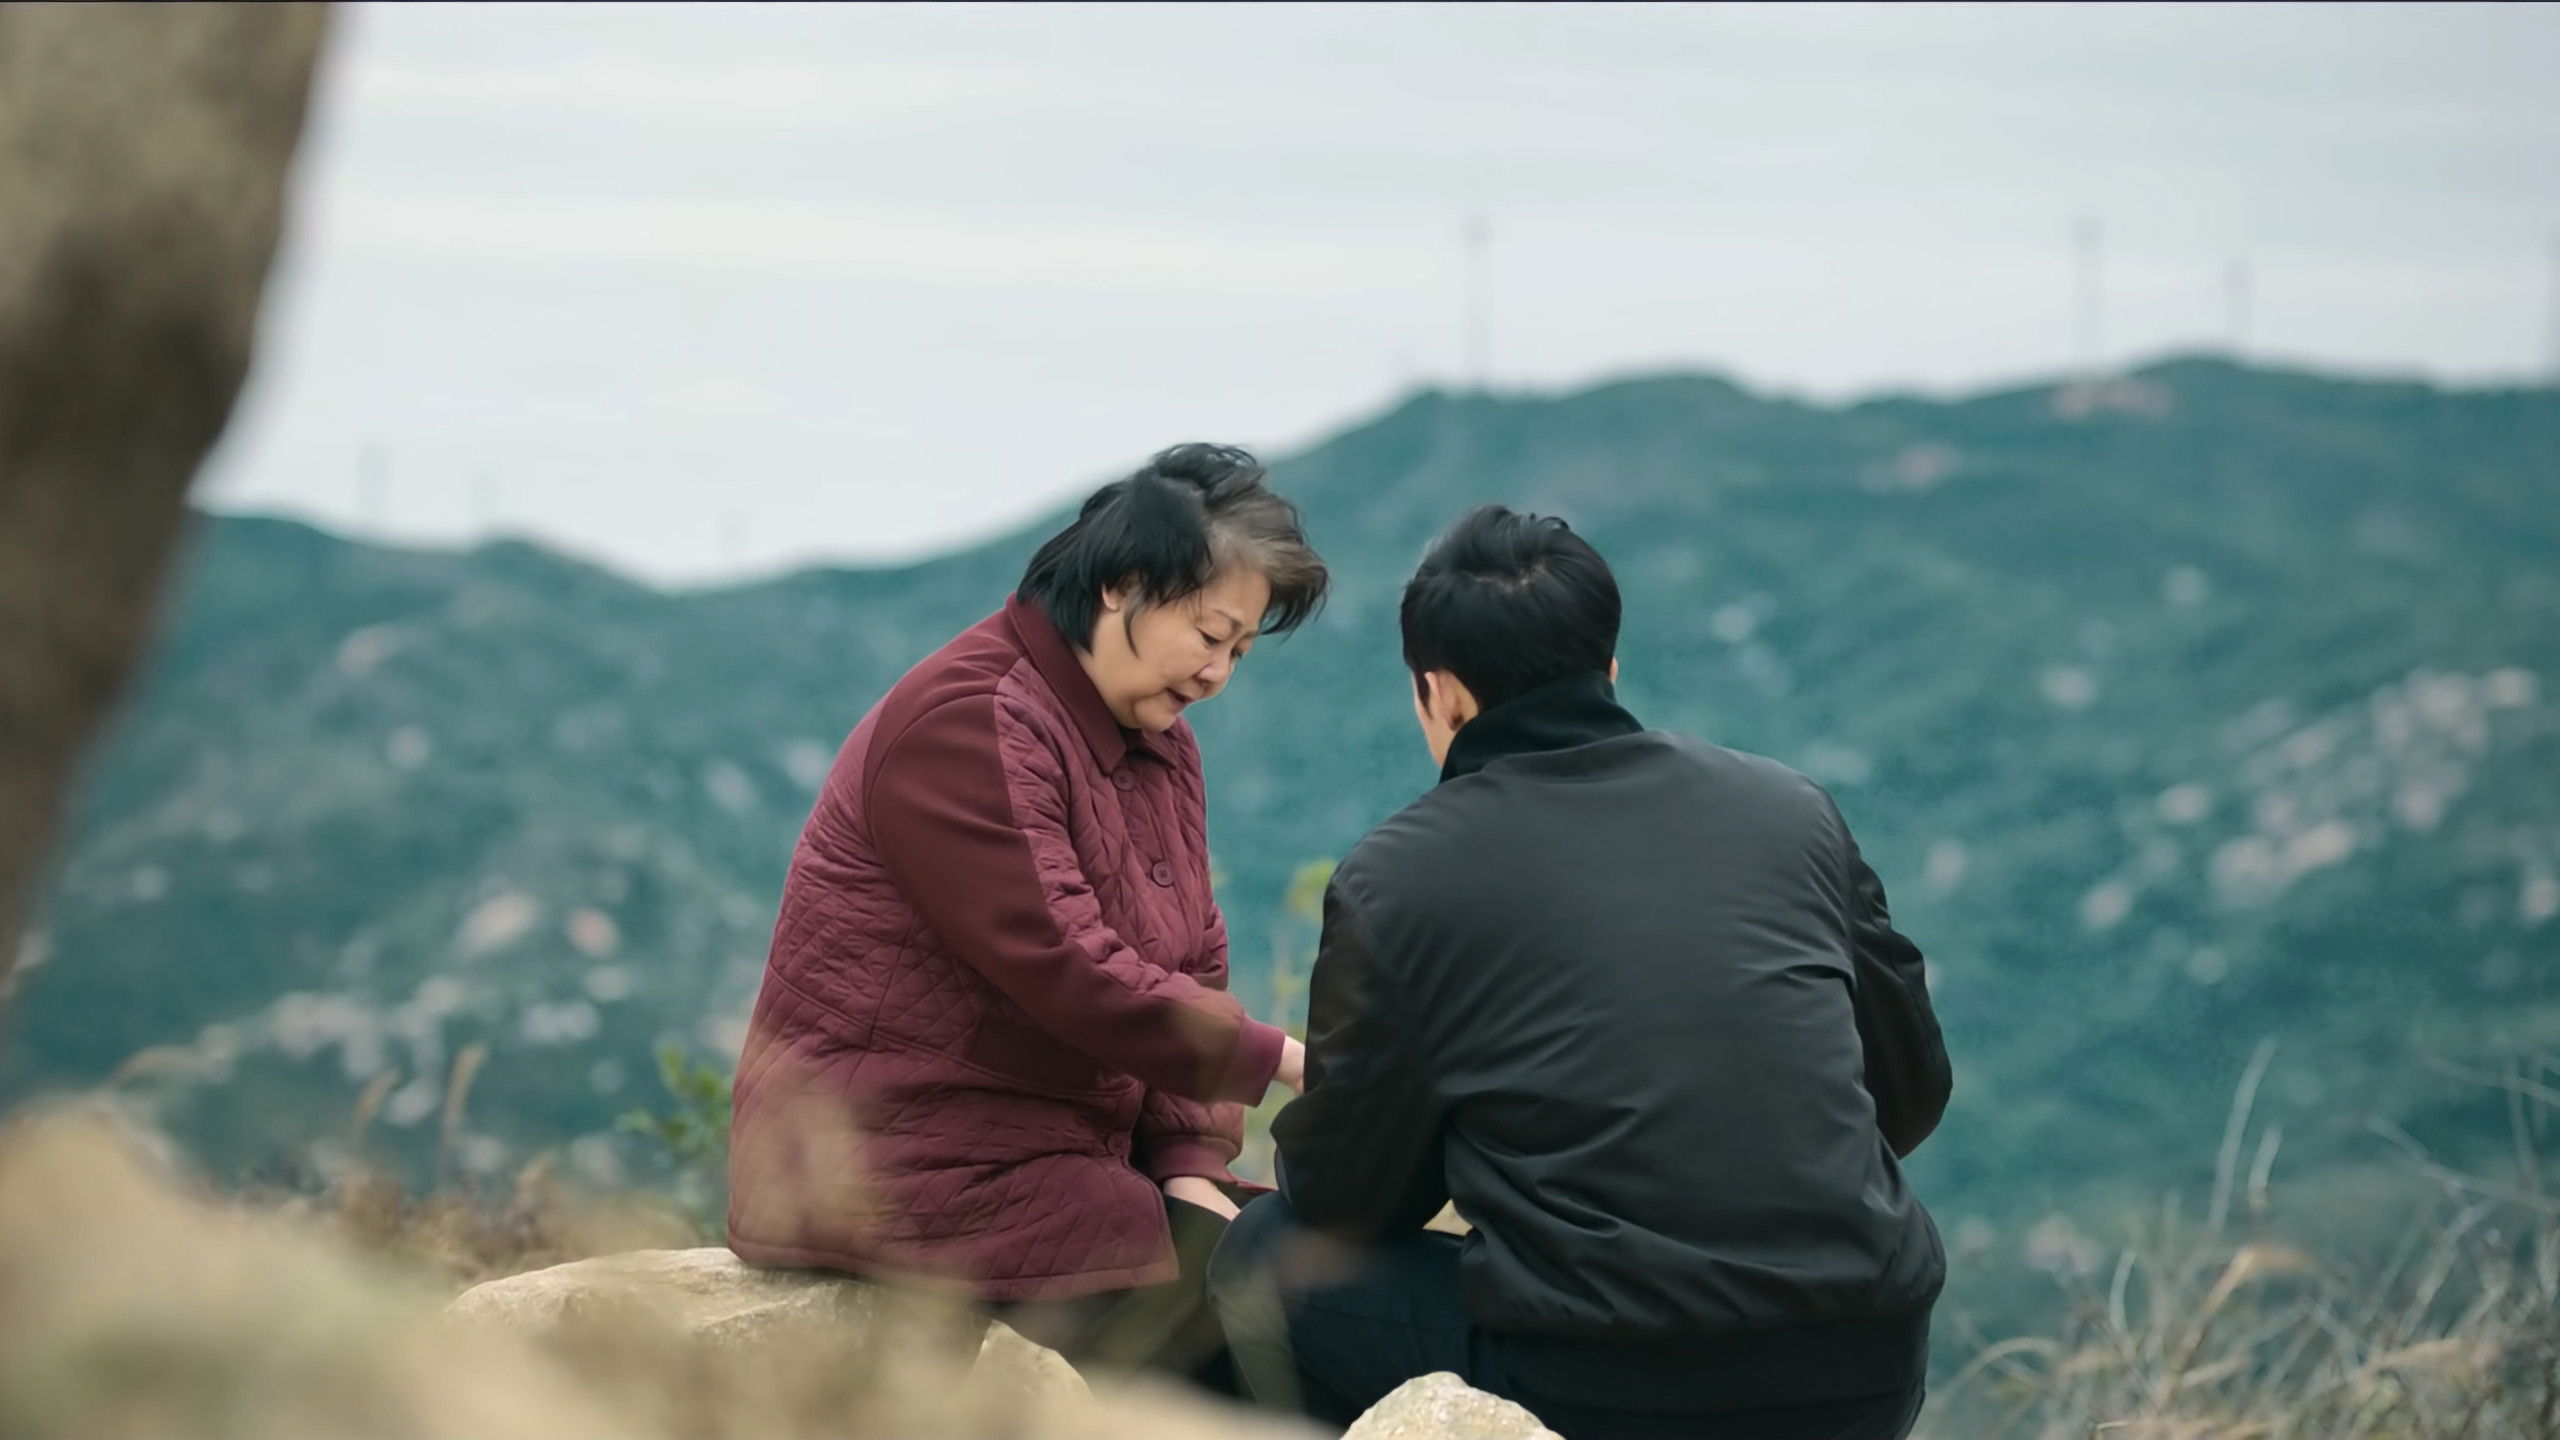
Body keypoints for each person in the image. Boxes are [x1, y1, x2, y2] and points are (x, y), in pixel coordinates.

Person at [1208, 505, 1952, 1440]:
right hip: (1867, 1367)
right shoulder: (1790, 809)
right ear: (1609, 667)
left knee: (1265, 1253)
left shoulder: (1402, 876)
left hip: (1608, 1385)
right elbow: (1910, 1092)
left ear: (1440, 694)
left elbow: (1350, 1201)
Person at [727, 444, 1328, 1390]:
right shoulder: (969, 720)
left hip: (1063, 1155)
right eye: (1210, 634)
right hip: (906, 1169)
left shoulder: (1156, 741)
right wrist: (1289, 1061)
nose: (1218, 672)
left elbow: (1191, 957)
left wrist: (1186, 1159)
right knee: (1273, 1341)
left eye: (1240, 651)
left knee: (1330, 1282)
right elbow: (1073, 968)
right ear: (1123, 586)